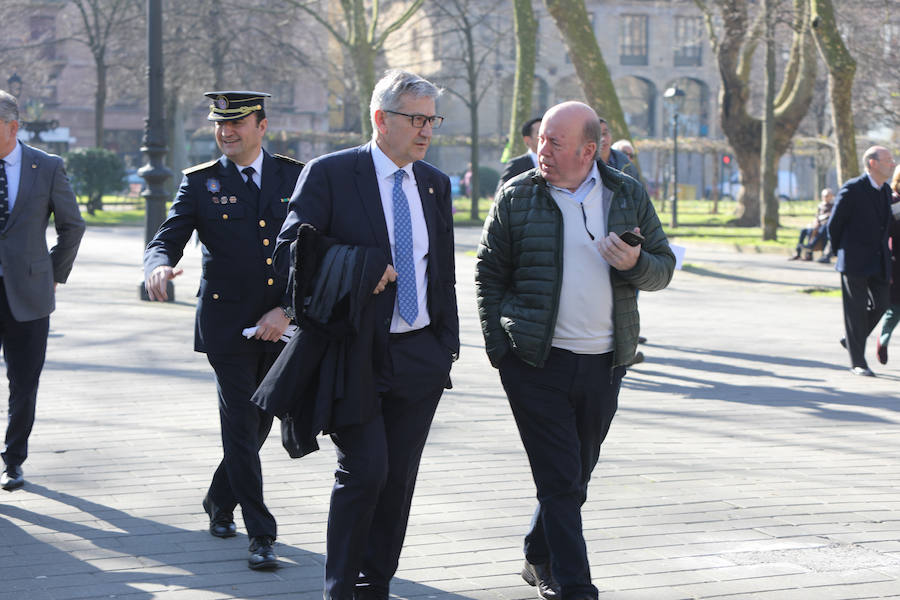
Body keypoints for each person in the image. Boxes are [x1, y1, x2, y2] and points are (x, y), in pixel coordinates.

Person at [475, 101, 674, 600]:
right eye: (541, 138)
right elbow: (488, 274)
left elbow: (664, 266)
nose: (542, 149)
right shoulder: (516, 196)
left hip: (605, 362)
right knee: (559, 475)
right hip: (534, 361)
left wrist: (634, 262)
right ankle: (573, 583)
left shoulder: (626, 193)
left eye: (554, 142)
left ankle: (537, 553)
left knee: (577, 473)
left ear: (590, 149)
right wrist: (501, 351)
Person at [273, 69, 459, 600]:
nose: (426, 131)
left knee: (398, 481)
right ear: (381, 119)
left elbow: (438, 270)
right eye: (416, 119)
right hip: (352, 353)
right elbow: (290, 252)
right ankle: (339, 589)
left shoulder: (434, 183)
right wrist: (359, 267)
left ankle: (373, 584)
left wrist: (444, 343)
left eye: (432, 120)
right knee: (366, 473)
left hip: (421, 354)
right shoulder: (330, 174)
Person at [143, 91, 304, 568]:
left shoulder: (295, 177)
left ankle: (218, 499)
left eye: (237, 124)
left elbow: (313, 253)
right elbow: (167, 237)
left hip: (280, 325)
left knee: (258, 423)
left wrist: (288, 311)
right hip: (227, 326)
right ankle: (262, 534)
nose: (226, 132)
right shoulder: (200, 183)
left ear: (262, 125)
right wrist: (157, 266)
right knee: (239, 424)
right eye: (219, 125)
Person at [0, 90, 85, 492]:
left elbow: (73, 226)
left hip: (30, 294)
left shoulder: (46, 166)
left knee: (24, 381)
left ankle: (13, 460)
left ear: (12, 127)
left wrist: (54, 272)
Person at [828, 145, 894, 377]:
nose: (893, 164)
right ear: (872, 163)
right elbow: (834, 224)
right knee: (855, 310)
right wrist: (840, 251)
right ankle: (858, 362)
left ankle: (852, 338)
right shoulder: (853, 189)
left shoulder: (885, 191)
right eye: (888, 160)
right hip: (854, 261)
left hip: (879, 262)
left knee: (882, 304)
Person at [875, 165, 900, 364]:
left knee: (895, 307)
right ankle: (883, 339)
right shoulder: (894, 201)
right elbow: (889, 230)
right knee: (894, 306)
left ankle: (883, 337)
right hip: (896, 260)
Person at [789, 188, 834, 261]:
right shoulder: (821, 205)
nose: (824, 198)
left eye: (826, 196)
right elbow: (816, 216)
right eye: (823, 196)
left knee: (821, 230)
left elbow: (830, 215)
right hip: (817, 225)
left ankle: (811, 247)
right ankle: (798, 252)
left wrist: (820, 219)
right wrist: (816, 221)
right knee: (805, 231)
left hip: (825, 226)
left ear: (831, 196)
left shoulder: (833, 206)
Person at [498, 117, 542, 189]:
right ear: (527, 139)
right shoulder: (516, 165)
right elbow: (501, 194)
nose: (544, 136)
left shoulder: (559, 162)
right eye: (539, 133)